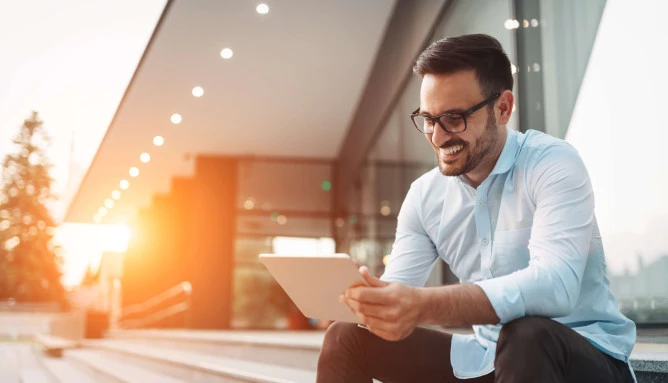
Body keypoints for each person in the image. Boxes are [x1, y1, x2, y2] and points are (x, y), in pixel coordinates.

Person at [316, 34, 636, 383]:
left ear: (503, 108)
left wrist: (423, 304)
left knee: (527, 334)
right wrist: (372, 303)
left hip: (584, 357)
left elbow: (555, 286)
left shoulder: (552, 163)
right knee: (345, 337)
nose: (438, 137)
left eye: (454, 118)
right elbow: (399, 291)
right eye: (428, 120)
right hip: (488, 357)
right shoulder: (425, 195)